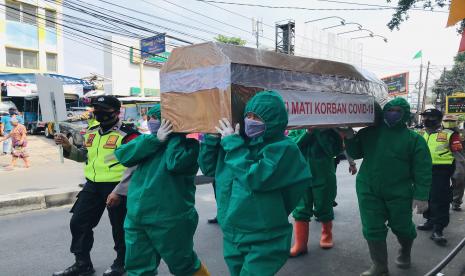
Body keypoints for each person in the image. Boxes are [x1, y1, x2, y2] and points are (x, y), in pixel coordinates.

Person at [198, 91, 312, 276]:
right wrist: (211, 139)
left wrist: (233, 144)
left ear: (273, 120)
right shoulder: (236, 140)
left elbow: (256, 178)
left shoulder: (282, 148)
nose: (250, 121)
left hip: (264, 236)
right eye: (248, 116)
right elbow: (208, 169)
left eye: (257, 118)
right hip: (232, 233)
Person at [113, 104, 210, 276]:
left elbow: (176, 164)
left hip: (170, 219)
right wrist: (155, 140)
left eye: (156, 118)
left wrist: (175, 137)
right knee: (137, 268)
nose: (151, 122)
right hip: (137, 217)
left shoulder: (189, 145)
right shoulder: (148, 141)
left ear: (170, 122)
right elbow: (123, 155)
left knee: (184, 266)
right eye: (149, 118)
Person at [344, 98, 432, 276]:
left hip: (399, 192)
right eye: (390, 110)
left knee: (402, 227)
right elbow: (355, 153)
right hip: (368, 188)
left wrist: (422, 195)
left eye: (398, 111)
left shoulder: (414, 140)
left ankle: (405, 251)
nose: (393, 114)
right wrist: (350, 136)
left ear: (405, 114)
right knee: (372, 227)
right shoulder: (369, 133)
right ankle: (379, 265)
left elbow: (423, 170)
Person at [53, 96, 139, 276]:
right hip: (92, 185)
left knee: (120, 227)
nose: (98, 112)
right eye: (96, 109)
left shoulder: (129, 134)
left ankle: (122, 262)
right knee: (78, 223)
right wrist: (69, 147)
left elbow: (135, 166)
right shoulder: (91, 131)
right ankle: (82, 263)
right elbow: (85, 156)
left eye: (103, 109)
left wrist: (120, 190)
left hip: (118, 187)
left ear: (116, 112)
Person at [288, 128, 343, 257]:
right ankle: (300, 244)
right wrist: (308, 132)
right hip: (301, 174)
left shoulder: (330, 130)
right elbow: (292, 146)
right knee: (301, 208)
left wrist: (320, 131)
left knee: (324, 205)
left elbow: (334, 151)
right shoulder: (296, 128)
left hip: (323, 173)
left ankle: (327, 235)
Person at [417, 109, 463, 245]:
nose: (426, 119)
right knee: (427, 197)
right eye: (424, 116)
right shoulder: (420, 134)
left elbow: (459, 155)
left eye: (430, 117)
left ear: (438, 119)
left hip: (441, 171)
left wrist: (459, 174)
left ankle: (438, 229)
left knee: (440, 200)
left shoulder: (450, 134)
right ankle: (430, 221)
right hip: (422, 171)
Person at [441, 115, 465, 211]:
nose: (449, 122)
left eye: (451, 120)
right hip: (442, 158)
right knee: (441, 182)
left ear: (457, 122)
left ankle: (456, 202)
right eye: (446, 120)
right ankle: (442, 201)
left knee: (459, 179)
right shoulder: (438, 132)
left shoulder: (461, 133)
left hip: (458, 157)